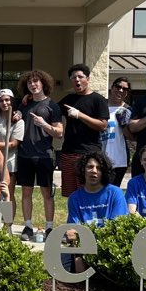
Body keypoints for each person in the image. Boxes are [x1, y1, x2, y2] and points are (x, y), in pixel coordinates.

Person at [15, 69, 63, 242]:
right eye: (29, 82)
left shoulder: (52, 106)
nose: (33, 85)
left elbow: (59, 133)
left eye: (36, 82)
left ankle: (50, 227)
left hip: (44, 155)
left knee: (47, 193)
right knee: (26, 192)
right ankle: (28, 226)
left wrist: (44, 124)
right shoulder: (24, 104)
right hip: (24, 155)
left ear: (43, 83)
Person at [62, 151, 127, 272]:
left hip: (109, 247)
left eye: (98, 168)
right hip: (82, 246)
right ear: (83, 170)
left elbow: (116, 229)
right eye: (90, 167)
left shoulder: (115, 193)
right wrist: (78, 262)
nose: (94, 171)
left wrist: (82, 236)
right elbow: (72, 233)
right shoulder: (75, 198)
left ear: (104, 172)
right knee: (62, 262)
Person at [57, 64, 109, 197]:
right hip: (68, 151)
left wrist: (80, 115)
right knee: (70, 192)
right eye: (73, 77)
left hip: (89, 152)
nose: (77, 80)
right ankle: (73, 217)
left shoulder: (98, 100)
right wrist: (30, 98)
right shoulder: (69, 99)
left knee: (89, 190)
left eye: (80, 77)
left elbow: (103, 125)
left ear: (88, 79)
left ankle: (89, 217)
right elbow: (50, 109)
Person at [0, 88, 24, 221]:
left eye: (7, 100)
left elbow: (13, 144)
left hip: (9, 161)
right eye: (1, 100)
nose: (4, 103)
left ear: (12, 101)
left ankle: (8, 222)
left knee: (8, 192)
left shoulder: (18, 120)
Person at [102, 76, 134, 188]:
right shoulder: (101, 106)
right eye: (118, 86)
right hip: (100, 154)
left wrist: (123, 125)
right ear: (112, 87)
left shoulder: (128, 110)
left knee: (113, 190)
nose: (121, 90)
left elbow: (132, 137)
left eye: (125, 89)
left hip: (119, 157)